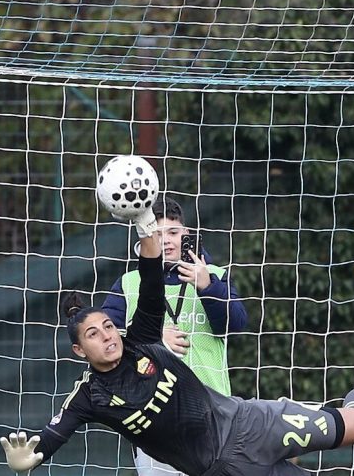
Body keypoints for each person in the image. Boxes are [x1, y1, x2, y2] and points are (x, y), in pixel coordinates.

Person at [0, 205, 354, 476]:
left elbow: (172, 290)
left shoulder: (143, 337)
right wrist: (31, 460)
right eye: (94, 335)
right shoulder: (90, 395)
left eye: (109, 328)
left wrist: (145, 229)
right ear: (80, 351)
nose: (107, 336)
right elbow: (52, 434)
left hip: (249, 422)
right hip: (219, 469)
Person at [101, 197, 247, 476]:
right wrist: (152, 340)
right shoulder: (129, 283)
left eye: (173, 232)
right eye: (156, 233)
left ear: (187, 236)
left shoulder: (215, 275)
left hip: (213, 416)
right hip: (153, 420)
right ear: (145, 240)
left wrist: (206, 286)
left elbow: (235, 324)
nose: (165, 240)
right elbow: (108, 344)